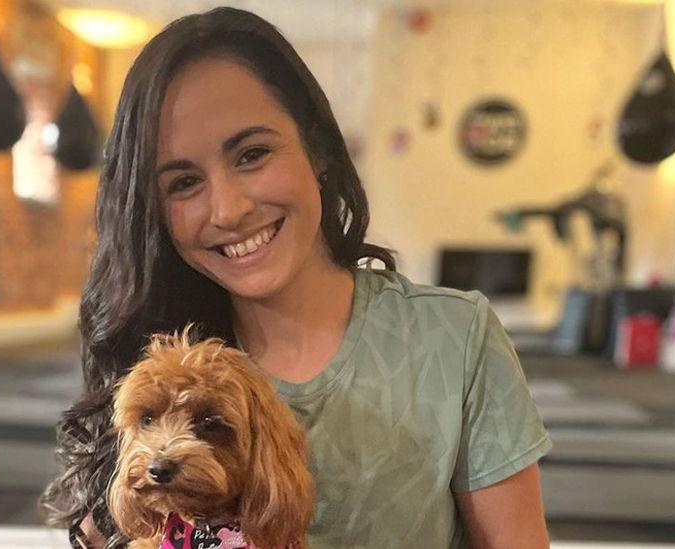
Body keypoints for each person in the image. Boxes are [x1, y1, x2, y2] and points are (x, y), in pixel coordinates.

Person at [40, 7, 552, 549]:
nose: (228, 210)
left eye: (252, 154)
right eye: (184, 182)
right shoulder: (156, 360)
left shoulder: (454, 337)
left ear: (319, 149)